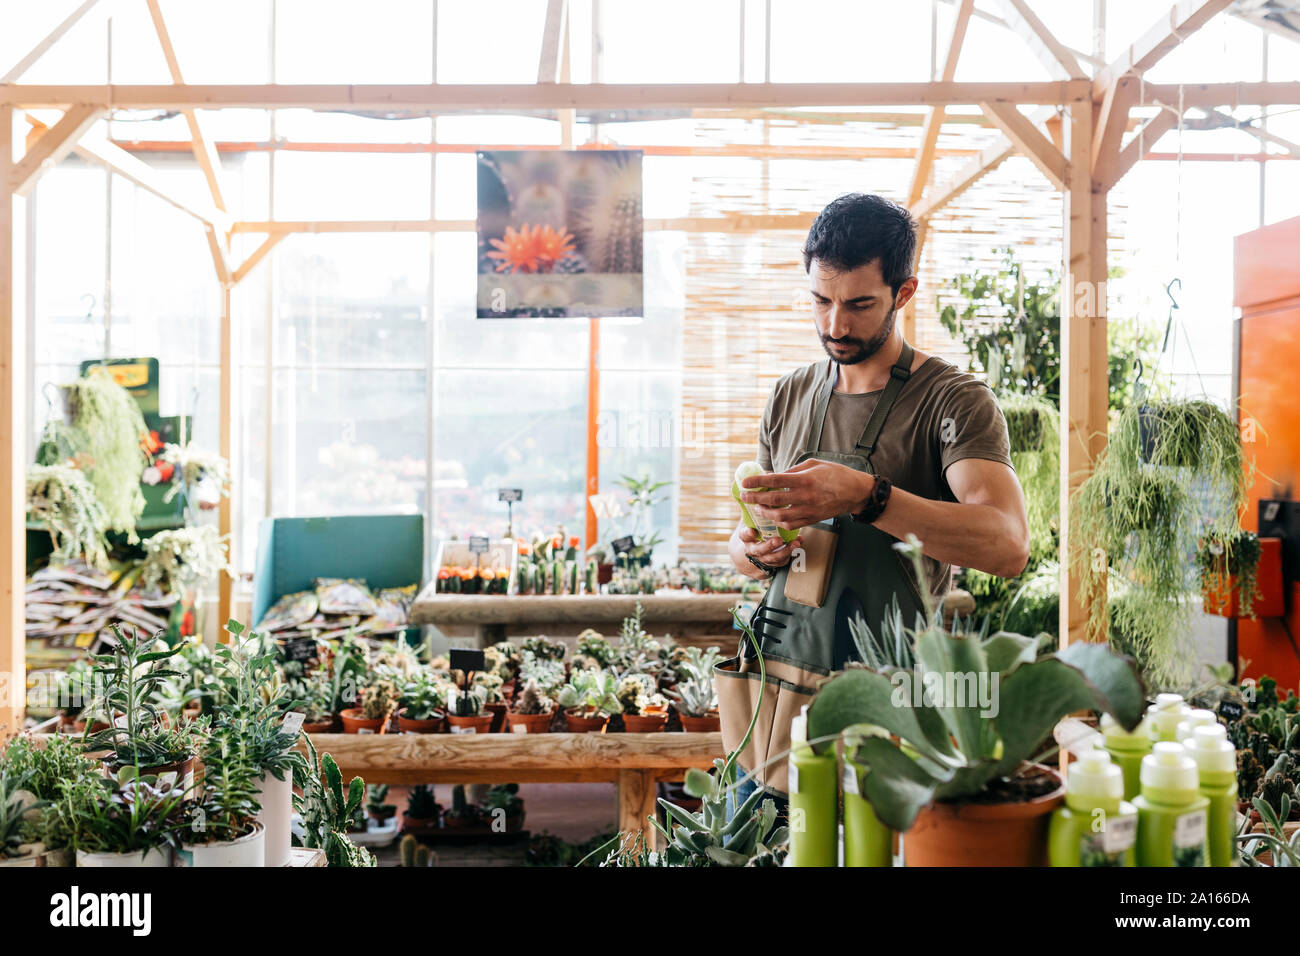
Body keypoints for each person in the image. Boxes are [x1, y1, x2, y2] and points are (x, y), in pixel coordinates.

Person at [718, 193, 1030, 822]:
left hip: (883, 703)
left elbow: (1007, 544)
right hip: (772, 697)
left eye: (859, 304)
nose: (835, 324)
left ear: (903, 292)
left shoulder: (953, 402)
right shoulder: (789, 395)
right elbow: (747, 548)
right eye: (820, 300)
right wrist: (749, 549)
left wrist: (869, 496)